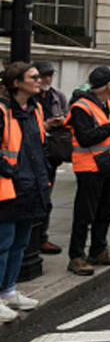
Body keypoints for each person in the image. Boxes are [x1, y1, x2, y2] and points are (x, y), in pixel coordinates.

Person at [0, 63, 49, 322]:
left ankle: (9, 291)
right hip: (7, 188)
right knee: (3, 244)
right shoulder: (2, 111)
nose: (39, 80)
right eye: (33, 77)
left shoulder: (35, 110)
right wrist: (9, 170)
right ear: (17, 82)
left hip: (31, 186)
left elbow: (39, 147)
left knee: (20, 242)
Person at [66, 66, 110, 276]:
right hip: (89, 167)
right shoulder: (81, 107)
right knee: (85, 214)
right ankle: (76, 256)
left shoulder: (105, 102)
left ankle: (98, 250)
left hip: (106, 165)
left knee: (104, 212)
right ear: (108, 85)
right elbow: (85, 138)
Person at [33, 60, 68, 255]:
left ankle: (41, 237)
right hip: (31, 155)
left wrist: (62, 121)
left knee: (46, 197)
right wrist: (45, 125)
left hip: (51, 153)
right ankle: (31, 239)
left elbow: (68, 117)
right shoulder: (30, 98)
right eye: (42, 75)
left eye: (49, 75)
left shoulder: (58, 96)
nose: (46, 79)